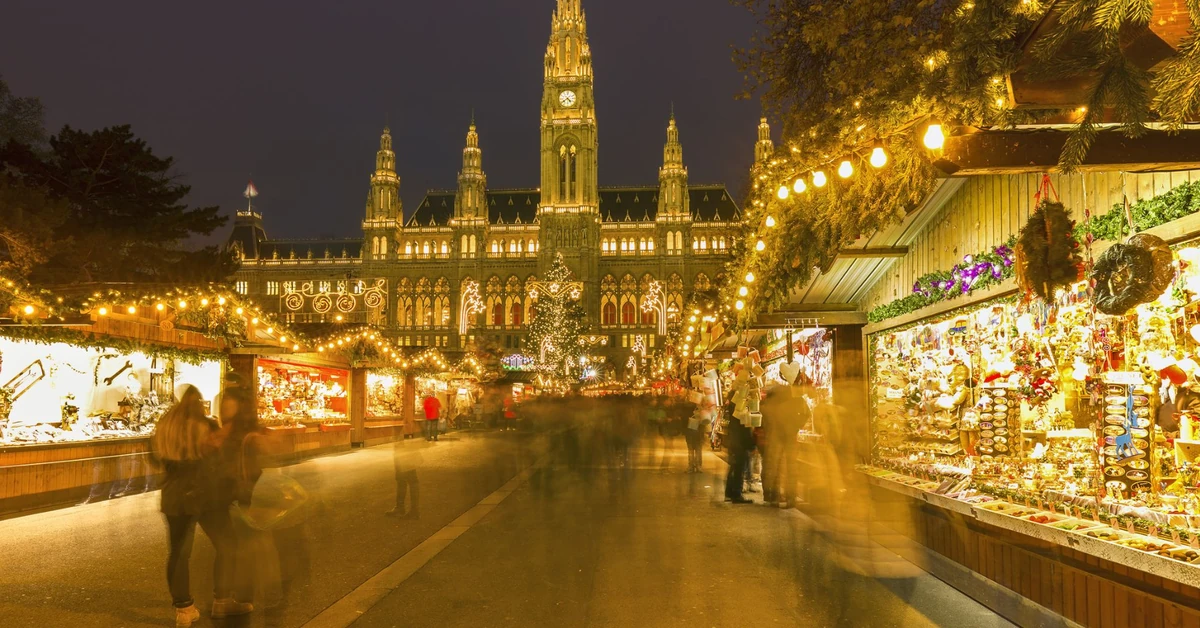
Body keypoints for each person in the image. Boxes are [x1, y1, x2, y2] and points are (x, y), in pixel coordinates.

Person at [151, 385, 252, 627]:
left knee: (178, 554)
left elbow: (154, 458)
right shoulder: (207, 426)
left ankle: (184, 609)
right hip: (207, 497)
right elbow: (220, 460)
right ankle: (222, 599)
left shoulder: (165, 426)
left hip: (174, 497)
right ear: (199, 403)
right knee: (227, 544)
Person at [723, 402, 751, 504]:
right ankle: (736, 493)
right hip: (739, 443)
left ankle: (730, 493)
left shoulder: (734, 409)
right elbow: (744, 428)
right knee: (739, 467)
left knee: (734, 466)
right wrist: (749, 442)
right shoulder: (740, 409)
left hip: (735, 442)